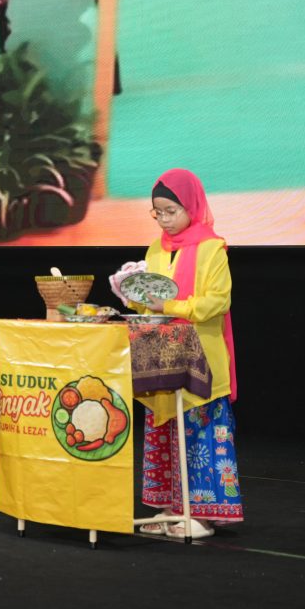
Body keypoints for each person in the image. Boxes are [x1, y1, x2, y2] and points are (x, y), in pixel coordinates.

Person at [115, 169, 241, 539]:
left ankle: (202, 515)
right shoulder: (156, 249)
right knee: (165, 433)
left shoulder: (212, 248)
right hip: (161, 361)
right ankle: (171, 510)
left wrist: (172, 306)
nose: (164, 219)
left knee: (202, 436)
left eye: (171, 211)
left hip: (201, 360)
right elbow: (150, 301)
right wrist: (130, 295)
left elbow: (218, 301)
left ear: (192, 206)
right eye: (158, 212)